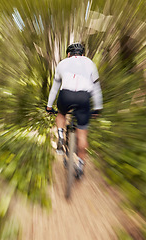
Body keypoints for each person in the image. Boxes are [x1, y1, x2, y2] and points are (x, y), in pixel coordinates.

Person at [46, 42, 103, 176]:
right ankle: (80, 167)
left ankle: (60, 134)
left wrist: (49, 106)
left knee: (61, 113)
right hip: (84, 98)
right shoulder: (90, 63)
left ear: (68, 54)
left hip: (66, 95)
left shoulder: (62, 63)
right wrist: (98, 108)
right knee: (82, 133)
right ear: (83, 54)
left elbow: (55, 88)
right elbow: (96, 88)